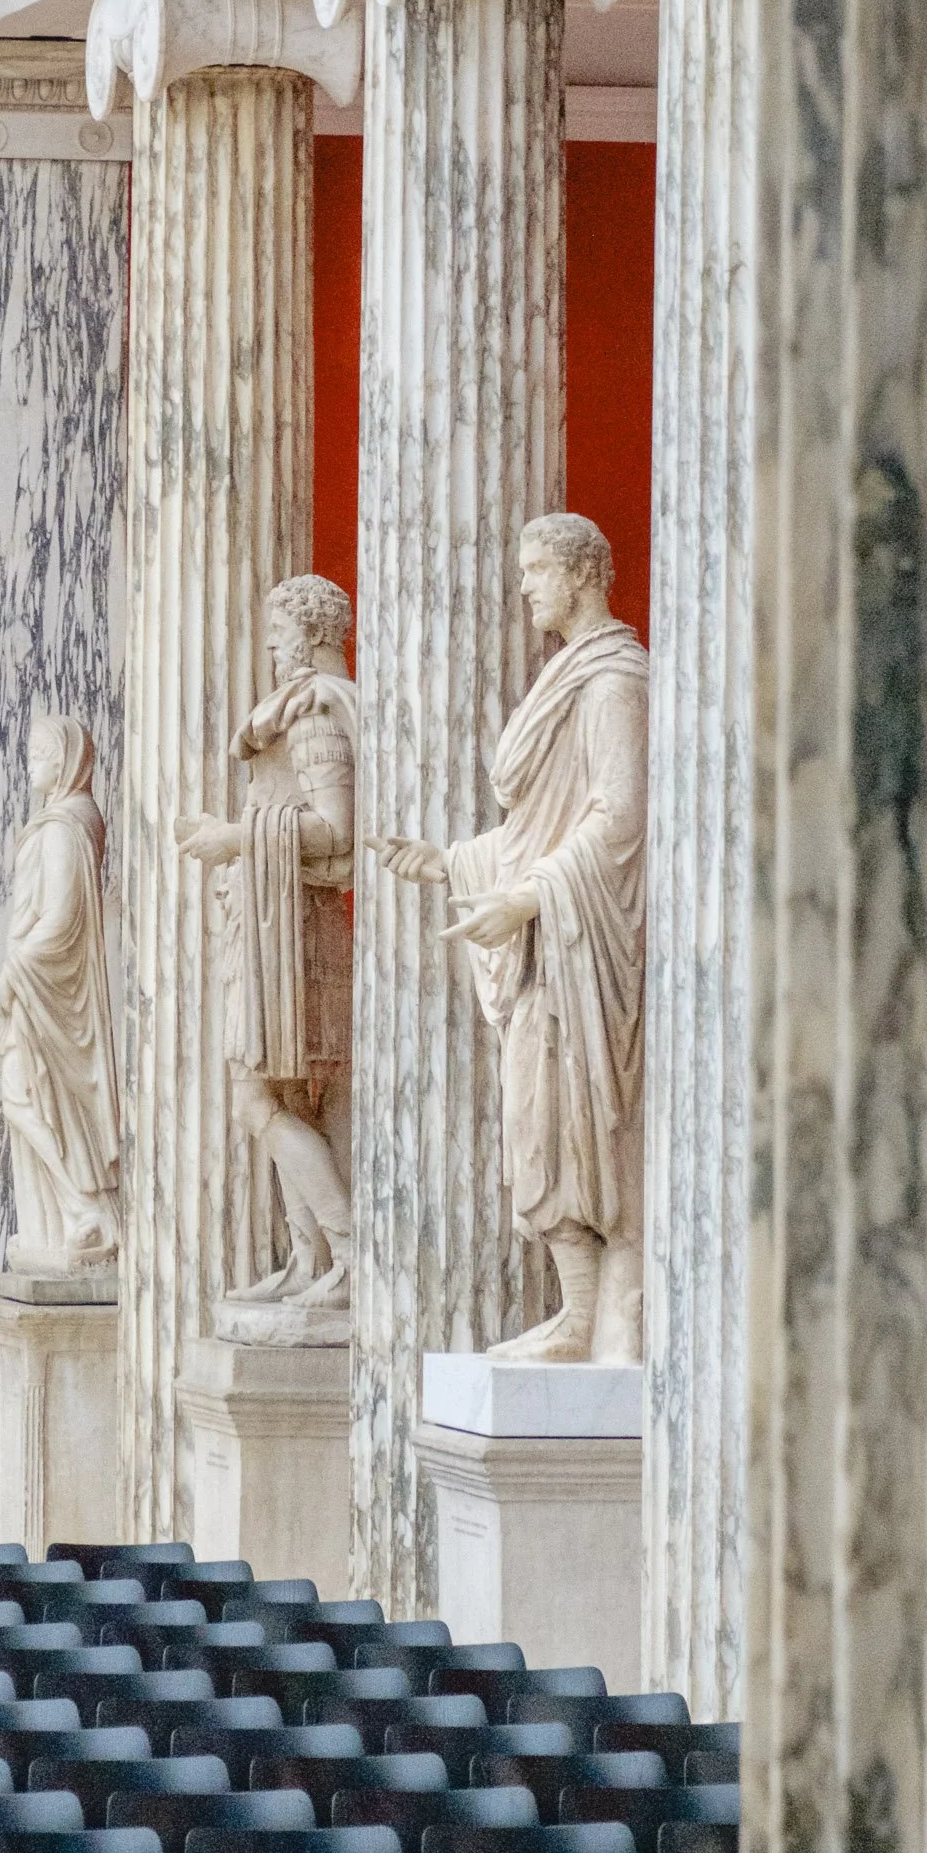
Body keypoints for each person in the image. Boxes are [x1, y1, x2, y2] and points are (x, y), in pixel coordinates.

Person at [373, 512, 648, 1361]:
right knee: (537, 1121)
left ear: (580, 574)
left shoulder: (612, 684)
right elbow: (540, 823)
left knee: (571, 1123)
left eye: (536, 571)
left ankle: (591, 1315)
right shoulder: (568, 676)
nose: (525, 587)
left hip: (584, 944)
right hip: (548, 937)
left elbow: (619, 814)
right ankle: (578, 1310)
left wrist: (526, 900)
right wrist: (451, 860)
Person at [177, 573, 357, 1319]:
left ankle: (349, 1251)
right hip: (271, 919)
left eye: (281, 631)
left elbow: (337, 830)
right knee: (282, 1094)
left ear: (313, 634)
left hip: (296, 926)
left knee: (258, 1097)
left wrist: (234, 837)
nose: (273, 645)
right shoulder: (293, 711)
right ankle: (307, 1255)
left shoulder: (316, 716)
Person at [0, 714, 121, 1271]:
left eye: (41, 750)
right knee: (27, 1098)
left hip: (51, 991)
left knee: (25, 1098)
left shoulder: (65, 826)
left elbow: (61, 918)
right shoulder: (63, 821)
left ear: (67, 759)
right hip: (43, 989)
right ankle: (66, 1218)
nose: (30, 759)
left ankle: (85, 1212)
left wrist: (12, 972)